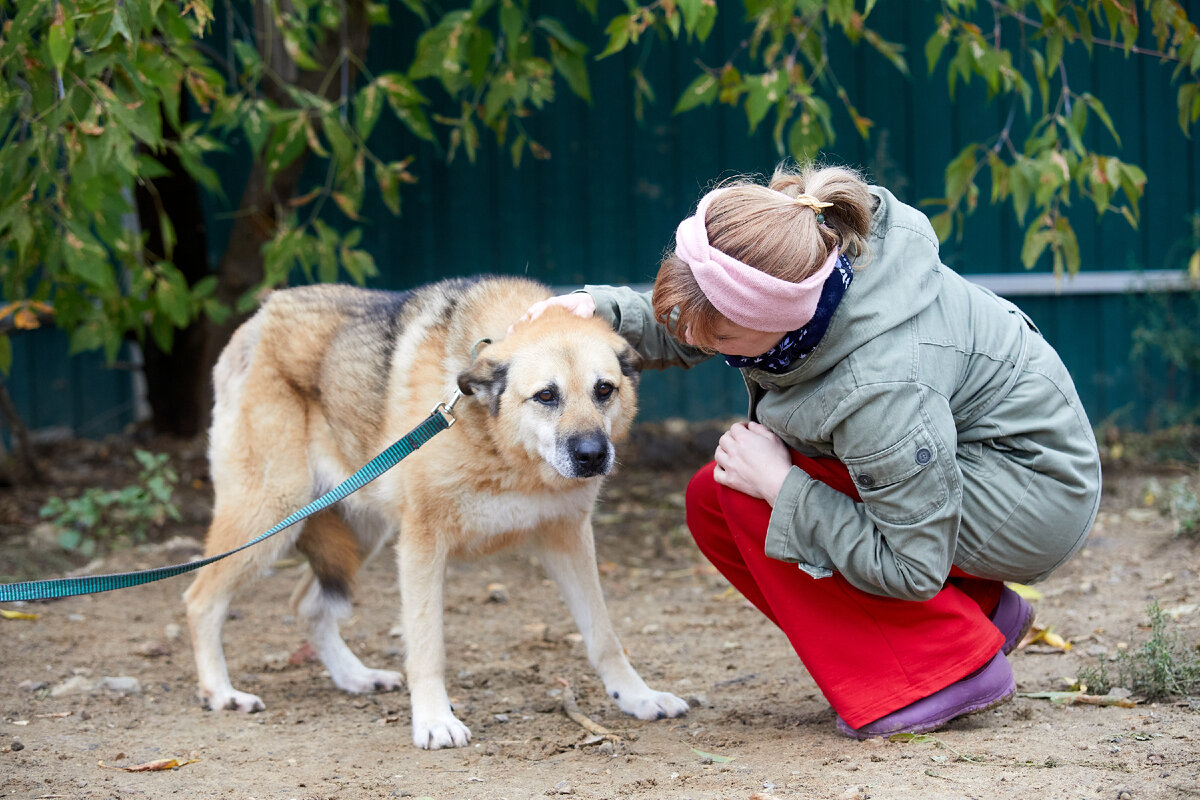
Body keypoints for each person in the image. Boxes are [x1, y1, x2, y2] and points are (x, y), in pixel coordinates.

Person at [521, 162, 1102, 738]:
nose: (696, 341)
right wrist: (602, 310)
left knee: (755, 498)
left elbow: (911, 562)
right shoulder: (806, 254)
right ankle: (977, 611)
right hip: (964, 469)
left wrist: (783, 485)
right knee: (715, 498)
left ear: (777, 321)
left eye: (720, 338)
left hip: (1029, 497)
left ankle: (943, 671)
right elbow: (698, 314)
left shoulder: (881, 387)